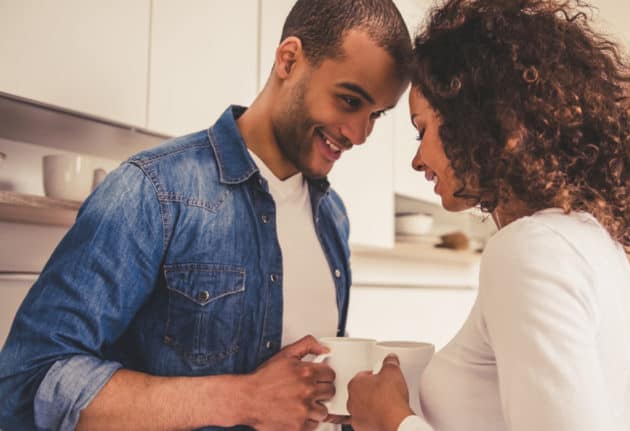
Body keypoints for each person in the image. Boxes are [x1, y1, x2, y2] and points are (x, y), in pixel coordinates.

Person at [0, 1, 411, 430]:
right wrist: (242, 397)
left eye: (375, 116)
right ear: (289, 60)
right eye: (349, 100)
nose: (361, 135)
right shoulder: (152, 190)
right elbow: (28, 381)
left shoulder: (334, 217)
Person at [346, 0, 630, 430]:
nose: (417, 160)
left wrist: (392, 420)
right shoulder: (594, 243)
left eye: (422, 129)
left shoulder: (528, 250)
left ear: (480, 119)